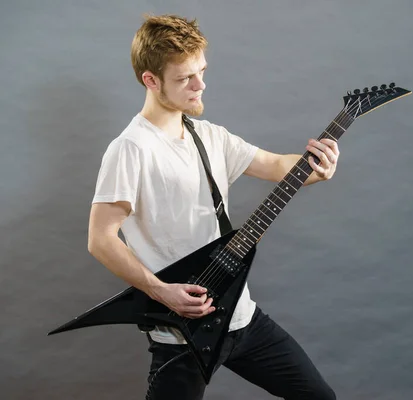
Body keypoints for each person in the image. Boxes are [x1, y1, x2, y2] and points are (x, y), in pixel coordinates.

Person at [87, 14, 338, 400]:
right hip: (182, 336)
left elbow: (277, 166)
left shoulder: (209, 136)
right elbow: (101, 239)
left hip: (242, 319)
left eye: (202, 71)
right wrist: (162, 292)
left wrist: (318, 167)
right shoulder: (131, 149)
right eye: (185, 78)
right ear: (150, 81)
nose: (200, 85)